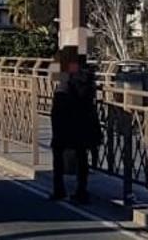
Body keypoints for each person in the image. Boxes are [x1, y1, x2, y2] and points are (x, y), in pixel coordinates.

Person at [49, 48, 100, 203]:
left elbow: (57, 84)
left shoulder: (66, 76)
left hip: (65, 117)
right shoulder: (86, 74)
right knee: (81, 154)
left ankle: (59, 189)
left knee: (58, 151)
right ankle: (81, 190)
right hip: (83, 118)